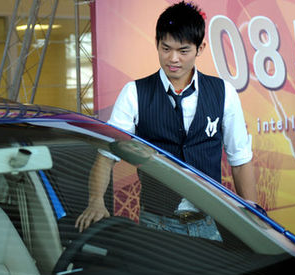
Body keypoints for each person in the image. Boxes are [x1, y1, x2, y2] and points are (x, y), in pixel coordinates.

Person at [75, 1, 257, 237]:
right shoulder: (134, 93)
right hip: (156, 223)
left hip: (211, 221)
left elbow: (240, 160)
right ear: (157, 44)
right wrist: (96, 200)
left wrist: (254, 216)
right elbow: (107, 155)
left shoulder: (224, 93)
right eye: (166, 48)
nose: (173, 59)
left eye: (183, 51)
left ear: (200, 48)